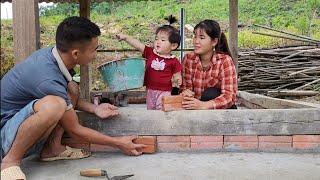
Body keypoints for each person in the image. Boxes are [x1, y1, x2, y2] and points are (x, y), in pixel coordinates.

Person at [0, 16, 146, 180]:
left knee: (72, 88)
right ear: (76, 53)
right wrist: (119, 143)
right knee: (54, 105)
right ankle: (10, 161)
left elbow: (69, 97)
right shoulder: (47, 78)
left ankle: (52, 150)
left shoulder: (54, 56)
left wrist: (95, 108)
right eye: (94, 50)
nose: (96, 55)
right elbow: (75, 130)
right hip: (4, 134)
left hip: (17, 125)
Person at [116, 15, 182, 110]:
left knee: (161, 113)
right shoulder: (150, 52)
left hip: (165, 92)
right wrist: (126, 37)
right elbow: (138, 45)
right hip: (150, 90)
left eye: (163, 40)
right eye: (156, 39)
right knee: (151, 110)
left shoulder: (174, 61)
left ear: (173, 46)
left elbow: (177, 76)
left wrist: (176, 87)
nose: (158, 42)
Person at [181, 19, 238, 109]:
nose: (196, 41)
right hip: (195, 109)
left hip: (221, 112)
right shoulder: (188, 59)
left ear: (214, 42)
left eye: (202, 38)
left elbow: (229, 96)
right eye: (195, 36)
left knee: (210, 93)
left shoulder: (224, 61)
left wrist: (204, 105)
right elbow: (185, 87)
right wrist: (186, 92)